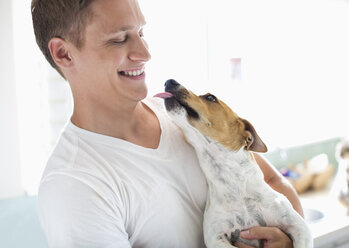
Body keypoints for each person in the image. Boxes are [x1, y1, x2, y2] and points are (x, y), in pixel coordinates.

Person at [31, 0, 303, 247]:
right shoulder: (73, 188)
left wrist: (291, 241)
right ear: (64, 54)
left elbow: (270, 180)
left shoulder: (181, 113)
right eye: (119, 39)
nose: (145, 52)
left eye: (141, 33)